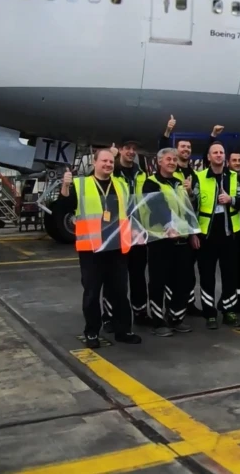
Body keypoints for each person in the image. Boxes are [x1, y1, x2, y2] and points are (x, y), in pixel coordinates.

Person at [59, 149, 141, 348]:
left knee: (120, 292)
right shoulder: (81, 184)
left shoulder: (121, 185)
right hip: (92, 249)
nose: (108, 164)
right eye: (104, 161)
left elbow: (128, 212)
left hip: (116, 247)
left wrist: (136, 231)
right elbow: (63, 206)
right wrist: (65, 185)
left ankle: (123, 330)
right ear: (94, 163)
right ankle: (92, 332)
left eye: (111, 162)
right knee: (92, 293)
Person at [140, 147, 199, 337]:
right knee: (158, 282)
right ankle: (158, 321)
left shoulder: (179, 183)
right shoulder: (151, 183)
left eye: (174, 159)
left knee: (182, 280)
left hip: (181, 239)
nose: (172, 162)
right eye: (168, 159)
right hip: (161, 239)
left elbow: (188, 210)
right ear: (159, 162)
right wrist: (168, 225)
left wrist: (192, 233)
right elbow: (156, 206)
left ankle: (176, 317)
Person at [194, 142, 240, 329]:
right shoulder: (198, 177)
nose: (218, 155)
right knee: (207, 276)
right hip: (206, 236)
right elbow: (191, 207)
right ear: (208, 157)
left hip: (229, 235)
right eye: (215, 152)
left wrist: (230, 200)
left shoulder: (233, 177)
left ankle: (228, 310)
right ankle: (209, 314)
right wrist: (194, 234)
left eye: (221, 152)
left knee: (230, 275)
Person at [101, 138, 149, 329]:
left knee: (138, 276)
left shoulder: (141, 174)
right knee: (115, 278)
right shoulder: (112, 172)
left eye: (133, 149)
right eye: (127, 148)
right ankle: (110, 316)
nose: (130, 152)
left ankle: (140, 313)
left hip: (138, 233)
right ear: (119, 150)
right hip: (116, 232)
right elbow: (93, 181)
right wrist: (109, 160)